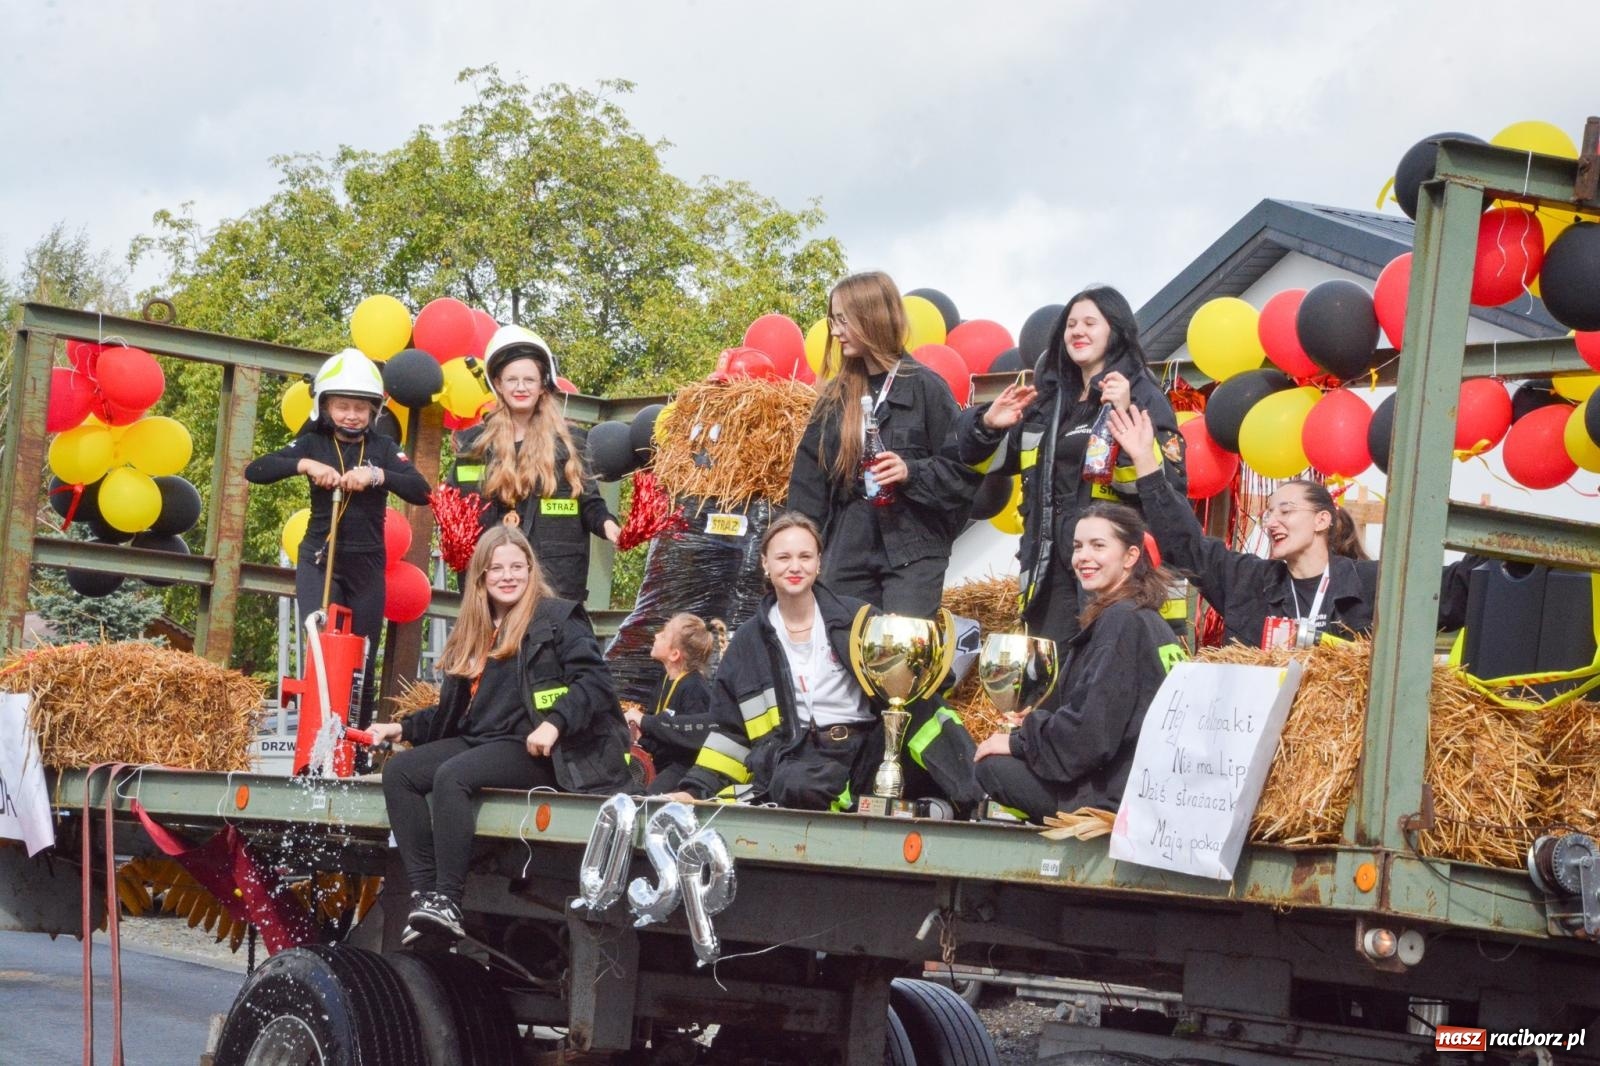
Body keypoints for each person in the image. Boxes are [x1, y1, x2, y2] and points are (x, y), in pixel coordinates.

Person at [368, 525, 631, 941]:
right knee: (401, 772)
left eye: (517, 566)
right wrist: (401, 726)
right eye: (496, 569)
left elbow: (595, 684)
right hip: (483, 740)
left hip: (538, 750)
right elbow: (456, 712)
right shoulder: (476, 632)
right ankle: (425, 895)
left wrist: (554, 723)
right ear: (481, 577)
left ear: (530, 569)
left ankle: (449, 900)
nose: (508, 576)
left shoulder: (556, 618)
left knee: (452, 776)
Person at [671, 513, 981, 813]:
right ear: (765, 564)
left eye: (805, 556)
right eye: (783, 558)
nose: (795, 566)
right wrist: (694, 790)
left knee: (925, 709)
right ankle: (865, 805)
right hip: (798, 759)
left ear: (819, 562)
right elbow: (729, 734)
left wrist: (913, 653)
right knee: (793, 782)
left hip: (868, 751)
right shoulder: (746, 645)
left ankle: (980, 800)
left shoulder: (858, 620)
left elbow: (928, 681)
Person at [1106, 406, 1480, 646]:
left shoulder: (1372, 585)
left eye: (1286, 511)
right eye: (1269, 513)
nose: (1272, 522)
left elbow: (1453, 591)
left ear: (1322, 520)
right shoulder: (1247, 581)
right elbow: (1184, 545)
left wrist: (1512, 547)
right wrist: (1145, 463)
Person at [955, 286, 1186, 645]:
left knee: (1108, 673)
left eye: (1090, 323)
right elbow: (989, 463)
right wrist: (987, 425)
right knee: (1052, 678)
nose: (1078, 331)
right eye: (1071, 324)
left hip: (1116, 570)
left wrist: (1123, 413)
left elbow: (1162, 487)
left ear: (1116, 330)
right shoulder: (1047, 403)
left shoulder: (1142, 394)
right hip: (1050, 566)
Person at [245, 348, 431, 730]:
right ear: (324, 406)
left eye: (360, 408)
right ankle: (314, 743)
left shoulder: (382, 447)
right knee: (320, 643)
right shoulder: (312, 442)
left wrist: (376, 476)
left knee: (362, 655)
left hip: (367, 563)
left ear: (373, 411)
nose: (351, 415)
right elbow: (256, 470)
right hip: (320, 558)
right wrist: (305, 465)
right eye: (342, 406)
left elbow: (420, 489)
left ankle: (355, 744)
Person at [974, 504, 1188, 823]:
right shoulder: (1147, 620)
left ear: (1130, 557)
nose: (1082, 557)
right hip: (1145, 788)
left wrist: (1019, 741)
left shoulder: (1121, 621)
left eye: (1098, 545)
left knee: (991, 767)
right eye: (1077, 546)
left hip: (1115, 798)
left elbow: (1091, 735)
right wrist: (1039, 724)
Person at [787, 271, 980, 618]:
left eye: (842, 320)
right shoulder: (835, 397)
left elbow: (960, 474)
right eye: (833, 320)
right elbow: (808, 484)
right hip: (848, 546)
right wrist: (799, 544)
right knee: (840, 647)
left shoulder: (927, 387)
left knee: (899, 655)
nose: (834, 331)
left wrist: (911, 472)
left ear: (871, 318)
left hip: (913, 547)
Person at [449, 325, 620, 603]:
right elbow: (452, 505)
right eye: (512, 379)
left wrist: (608, 525)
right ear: (498, 384)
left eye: (529, 379)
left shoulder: (570, 442)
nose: (520, 387)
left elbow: (590, 504)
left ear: (543, 385)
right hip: (490, 587)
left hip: (555, 584)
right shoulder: (473, 445)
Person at [623, 613, 727, 794]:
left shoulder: (694, 687)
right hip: (663, 762)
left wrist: (644, 721)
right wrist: (641, 737)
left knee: (648, 799)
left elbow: (691, 743)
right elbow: (661, 737)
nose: (656, 636)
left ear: (674, 654)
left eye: (663, 635)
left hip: (685, 768)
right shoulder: (664, 681)